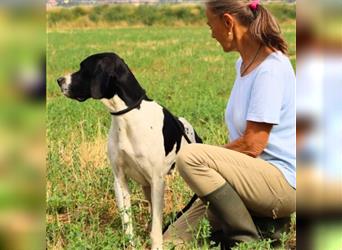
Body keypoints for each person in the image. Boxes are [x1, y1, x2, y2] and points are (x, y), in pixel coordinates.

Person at [163, 0, 296, 248]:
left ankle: (247, 240)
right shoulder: (242, 65)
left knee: (190, 156)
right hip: (247, 180)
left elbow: (253, 145)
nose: (211, 33)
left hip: (281, 184)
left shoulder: (270, 70)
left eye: (210, 25)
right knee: (170, 241)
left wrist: (208, 159)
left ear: (227, 22)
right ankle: (262, 225)